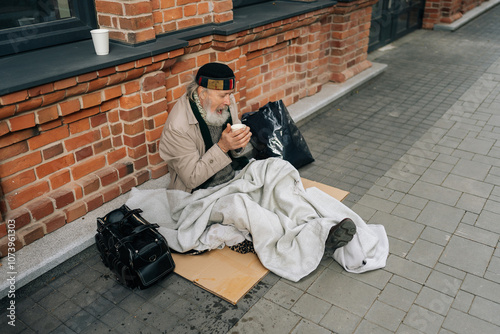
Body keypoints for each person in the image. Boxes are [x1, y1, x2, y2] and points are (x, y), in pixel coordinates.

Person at [158, 62, 357, 256]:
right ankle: (313, 240)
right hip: (201, 194)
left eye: (230, 95)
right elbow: (191, 178)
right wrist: (223, 146)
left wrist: (240, 144)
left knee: (278, 169)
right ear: (202, 93)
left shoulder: (226, 103)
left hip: (233, 174)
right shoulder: (178, 127)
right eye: (223, 95)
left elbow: (237, 148)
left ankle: (319, 225)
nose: (228, 101)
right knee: (243, 206)